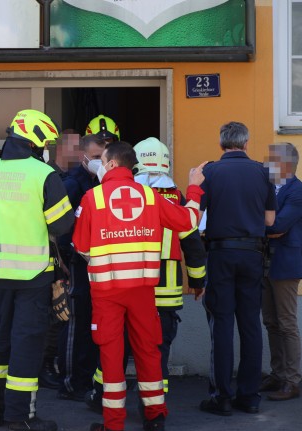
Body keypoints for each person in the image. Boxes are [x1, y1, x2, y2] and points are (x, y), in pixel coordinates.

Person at [72, 141, 206, 431]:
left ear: (109, 164)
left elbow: (80, 246)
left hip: (107, 292)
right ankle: (155, 416)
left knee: (111, 355)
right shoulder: (150, 196)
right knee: (148, 351)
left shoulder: (92, 198)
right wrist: (194, 188)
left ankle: (114, 424)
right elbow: (189, 221)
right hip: (143, 291)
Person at [0, 109, 74, 431]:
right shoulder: (42, 174)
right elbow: (62, 224)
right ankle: (20, 416)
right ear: (36, 141)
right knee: (26, 345)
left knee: (0, 342)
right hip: (31, 275)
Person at [198, 121, 276, 416]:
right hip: (253, 254)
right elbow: (269, 221)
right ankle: (250, 396)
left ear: (221, 144)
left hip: (220, 254)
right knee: (250, 325)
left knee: (222, 324)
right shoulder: (263, 172)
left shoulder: (210, 172)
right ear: (246, 143)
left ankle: (222, 397)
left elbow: (197, 215)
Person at [133, 138, 207, 393]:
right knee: (159, 344)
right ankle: (157, 396)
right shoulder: (176, 198)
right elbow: (193, 243)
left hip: (132, 284)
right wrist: (198, 283)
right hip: (167, 284)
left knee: (123, 341)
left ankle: (105, 394)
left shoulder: (124, 195)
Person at [56, 133, 107, 402]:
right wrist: (62, 258)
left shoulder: (99, 181)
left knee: (96, 323)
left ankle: (90, 379)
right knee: (78, 321)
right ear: (84, 156)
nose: (102, 162)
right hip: (77, 262)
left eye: (105, 157)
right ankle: (71, 382)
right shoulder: (73, 183)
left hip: (99, 263)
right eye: (97, 157)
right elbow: (59, 226)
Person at [260, 142, 302, 401]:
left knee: (287, 324)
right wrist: (267, 225)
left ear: (285, 165)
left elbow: (279, 224)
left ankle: (293, 380)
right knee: (270, 322)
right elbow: (269, 225)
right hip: (265, 262)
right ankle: (277, 374)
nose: (266, 164)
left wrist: (262, 224)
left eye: (271, 160)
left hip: (285, 265)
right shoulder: (268, 189)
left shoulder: (297, 191)